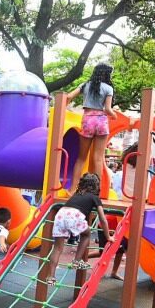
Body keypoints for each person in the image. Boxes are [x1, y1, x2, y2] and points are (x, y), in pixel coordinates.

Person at [45, 173, 114, 285]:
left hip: (61, 214)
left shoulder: (76, 195)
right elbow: (102, 218)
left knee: (57, 248)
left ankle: (50, 276)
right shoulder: (95, 198)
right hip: (74, 216)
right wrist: (108, 236)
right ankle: (76, 261)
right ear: (96, 186)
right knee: (86, 234)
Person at [66, 63, 118, 194]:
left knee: (81, 157)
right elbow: (107, 109)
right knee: (98, 158)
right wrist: (114, 115)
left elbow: (68, 96)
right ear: (107, 74)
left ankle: (72, 190)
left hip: (88, 120)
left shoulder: (85, 85)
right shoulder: (108, 88)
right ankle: (95, 192)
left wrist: (63, 109)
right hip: (101, 121)